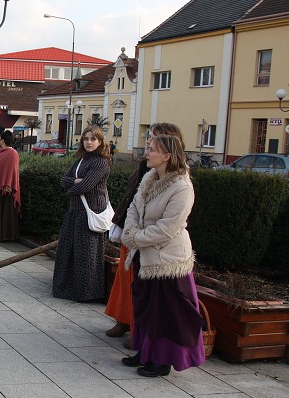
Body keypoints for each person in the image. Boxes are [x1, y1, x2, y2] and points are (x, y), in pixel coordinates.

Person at [120, 134, 204, 377]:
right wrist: (132, 231)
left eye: (152, 149)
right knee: (146, 306)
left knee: (166, 312)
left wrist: (135, 238)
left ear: (167, 156)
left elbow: (169, 227)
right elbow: (134, 207)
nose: (146, 153)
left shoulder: (182, 187)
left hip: (167, 260)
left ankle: (163, 360)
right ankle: (146, 352)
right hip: (145, 255)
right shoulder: (150, 177)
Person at [105, 123, 184, 341]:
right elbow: (133, 201)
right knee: (128, 281)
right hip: (136, 235)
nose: (147, 147)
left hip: (157, 246)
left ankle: (141, 334)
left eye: (153, 143)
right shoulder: (148, 171)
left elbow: (169, 222)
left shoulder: (180, 182)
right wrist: (126, 227)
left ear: (168, 151)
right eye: (149, 141)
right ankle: (125, 321)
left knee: (149, 294)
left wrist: (138, 237)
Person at [52, 125, 111, 302]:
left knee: (87, 254)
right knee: (68, 250)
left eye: (93, 139)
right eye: (86, 139)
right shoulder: (80, 160)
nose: (89, 142)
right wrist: (76, 182)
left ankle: (87, 292)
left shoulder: (101, 162)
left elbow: (85, 187)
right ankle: (68, 288)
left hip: (90, 212)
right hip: (75, 211)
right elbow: (63, 181)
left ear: (100, 141)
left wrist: (74, 186)